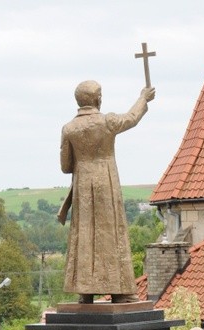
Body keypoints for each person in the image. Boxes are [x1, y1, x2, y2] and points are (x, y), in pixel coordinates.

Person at [59, 80, 155, 304]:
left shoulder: (69, 128)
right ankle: (121, 290)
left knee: (84, 234)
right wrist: (143, 97)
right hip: (106, 181)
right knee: (112, 233)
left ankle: (85, 291)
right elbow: (131, 118)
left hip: (82, 184)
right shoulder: (107, 121)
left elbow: (65, 166)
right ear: (97, 99)